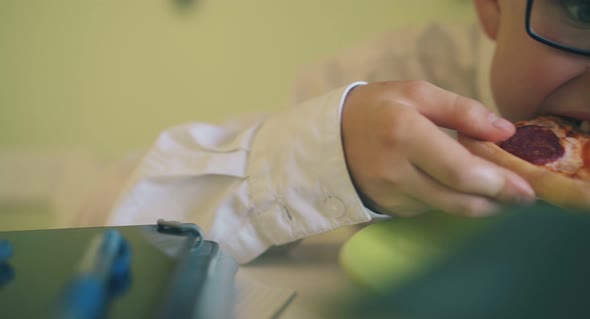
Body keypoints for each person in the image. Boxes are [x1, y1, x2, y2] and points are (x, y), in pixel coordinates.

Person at [101, 0, 589, 263]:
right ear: (494, 6)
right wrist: (325, 161)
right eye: (583, 10)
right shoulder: (384, 84)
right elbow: (114, 231)